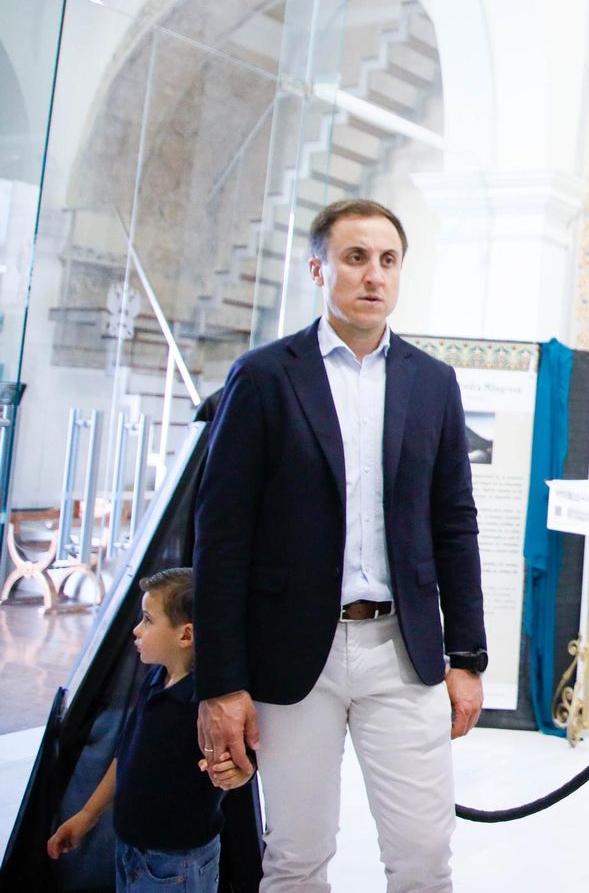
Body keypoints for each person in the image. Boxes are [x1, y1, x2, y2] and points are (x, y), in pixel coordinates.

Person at [192, 199, 487, 892]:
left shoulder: (432, 383)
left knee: (423, 856)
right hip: (295, 655)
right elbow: (221, 536)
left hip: (401, 650)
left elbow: (455, 524)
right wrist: (221, 682)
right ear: (319, 268)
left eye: (388, 260)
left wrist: (468, 656)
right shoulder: (265, 377)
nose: (373, 275)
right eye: (355, 258)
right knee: (296, 857)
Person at [47, 568, 252, 891]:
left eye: (147, 620)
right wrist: (88, 814)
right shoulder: (155, 681)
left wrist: (236, 772)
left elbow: (241, 765)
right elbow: (126, 755)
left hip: (176, 866)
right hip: (131, 852)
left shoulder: (208, 706)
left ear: (185, 635)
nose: (136, 631)